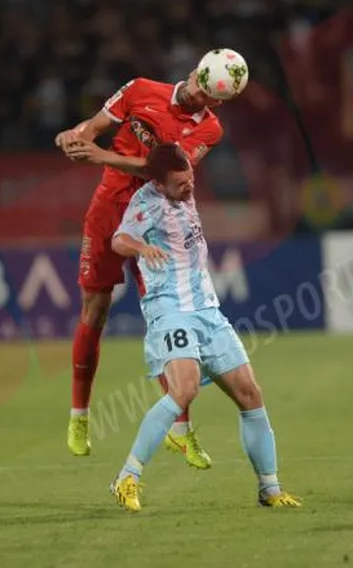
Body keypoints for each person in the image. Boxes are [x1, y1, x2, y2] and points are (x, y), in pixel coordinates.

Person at [55, 56, 238, 465]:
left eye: (207, 94)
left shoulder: (209, 129)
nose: (197, 91)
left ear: (216, 101)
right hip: (109, 208)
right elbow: (95, 127)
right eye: (198, 80)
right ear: (194, 70)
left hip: (157, 219)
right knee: (95, 310)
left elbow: (164, 172)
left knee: (165, 317)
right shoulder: (140, 89)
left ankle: (181, 430)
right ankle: (79, 416)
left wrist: (101, 157)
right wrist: (74, 136)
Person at [107, 144, 300, 511]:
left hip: (207, 311)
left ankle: (270, 489)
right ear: (159, 184)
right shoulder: (147, 202)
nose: (190, 187)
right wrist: (141, 249)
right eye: (180, 184)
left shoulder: (181, 183)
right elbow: (119, 239)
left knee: (250, 393)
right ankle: (127, 477)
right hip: (170, 310)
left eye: (191, 179)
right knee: (184, 389)